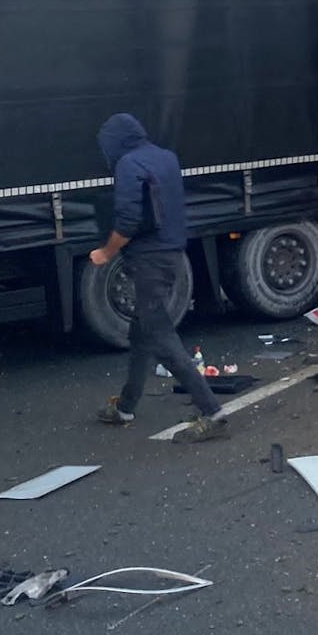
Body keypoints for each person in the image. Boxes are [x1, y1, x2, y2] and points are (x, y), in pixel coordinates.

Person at [91, 113, 228, 444]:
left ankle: (213, 412)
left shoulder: (127, 164)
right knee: (141, 334)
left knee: (160, 336)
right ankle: (125, 406)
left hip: (149, 259)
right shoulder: (166, 157)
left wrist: (106, 253)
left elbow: (127, 219)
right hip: (172, 254)